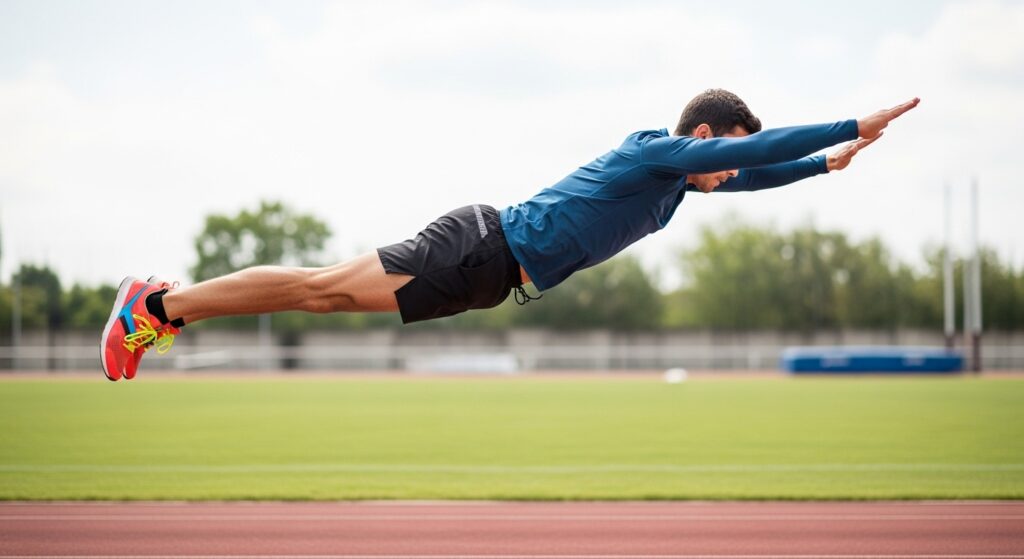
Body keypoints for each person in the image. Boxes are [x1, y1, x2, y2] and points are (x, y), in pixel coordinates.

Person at [100, 89, 920, 381]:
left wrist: (826, 167)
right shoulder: (654, 153)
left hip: (485, 273)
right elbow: (755, 154)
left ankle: (167, 308)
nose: (728, 176)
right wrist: (849, 119)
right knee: (319, 286)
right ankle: (159, 305)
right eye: (723, 156)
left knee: (319, 295)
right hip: (483, 247)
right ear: (704, 136)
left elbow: (759, 171)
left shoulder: (677, 188)